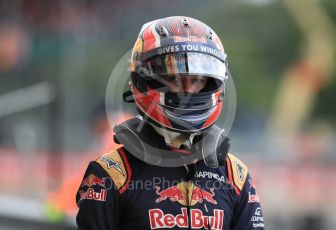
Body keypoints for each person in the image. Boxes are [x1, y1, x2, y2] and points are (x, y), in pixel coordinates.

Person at [76, 16, 265, 229]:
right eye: (174, 79)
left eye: (197, 80)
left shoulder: (234, 174)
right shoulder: (111, 173)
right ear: (143, 80)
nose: (188, 91)